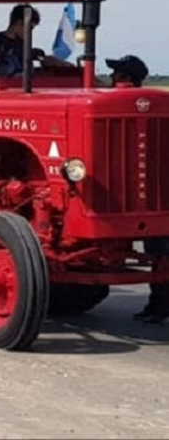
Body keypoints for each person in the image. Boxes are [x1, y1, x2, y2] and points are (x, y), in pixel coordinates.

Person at [105, 54, 169, 323]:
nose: (110, 79)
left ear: (124, 78)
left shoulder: (119, 104)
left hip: (137, 194)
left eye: (115, 74)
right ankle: (159, 303)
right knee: (159, 249)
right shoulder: (156, 103)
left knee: (158, 250)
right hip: (155, 193)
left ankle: (159, 305)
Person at [0, 4, 69, 76]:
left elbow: (35, 56)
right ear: (19, 23)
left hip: (23, 84)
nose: (30, 33)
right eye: (30, 28)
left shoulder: (23, 44)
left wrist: (54, 61)